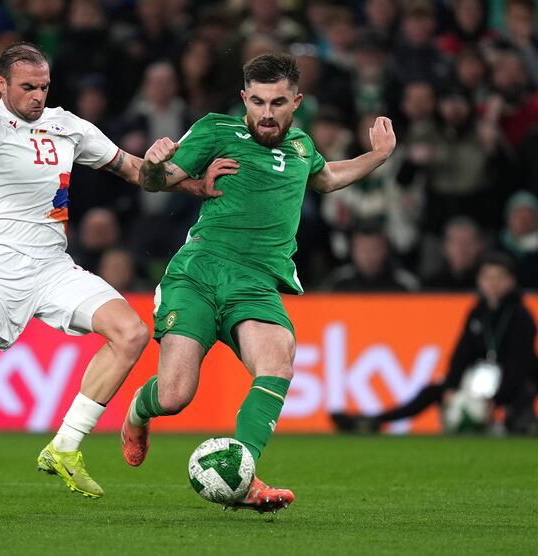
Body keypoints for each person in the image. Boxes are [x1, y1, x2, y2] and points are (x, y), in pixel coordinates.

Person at [0, 42, 224, 514]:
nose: (36, 95)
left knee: (131, 332)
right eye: (27, 87)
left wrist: (195, 186)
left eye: (43, 87)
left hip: (51, 267)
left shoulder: (68, 126)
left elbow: (133, 169)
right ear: (1, 85)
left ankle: (65, 445)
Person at [120, 52, 396, 513]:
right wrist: (152, 164)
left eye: (278, 102)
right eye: (258, 102)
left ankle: (243, 473)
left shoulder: (303, 147)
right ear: (244, 98)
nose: (266, 113)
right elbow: (156, 182)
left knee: (279, 362)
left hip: (256, 285)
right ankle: (136, 413)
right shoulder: (214, 130)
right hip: (199, 274)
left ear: (296, 102)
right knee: (174, 396)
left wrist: (379, 155)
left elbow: (327, 180)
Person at [331, 253, 537, 434]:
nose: (492, 284)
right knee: (432, 391)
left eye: (499, 278)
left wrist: (497, 399)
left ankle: (523, 424)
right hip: (479, 379)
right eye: (488, 277)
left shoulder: (521, 317)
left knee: (523, 392)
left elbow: (518, 364)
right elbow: (461, 354)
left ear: (511, 281)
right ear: (479, 281)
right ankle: (374, 421)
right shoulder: (477, 313)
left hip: (513, 382)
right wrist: (451, 387)